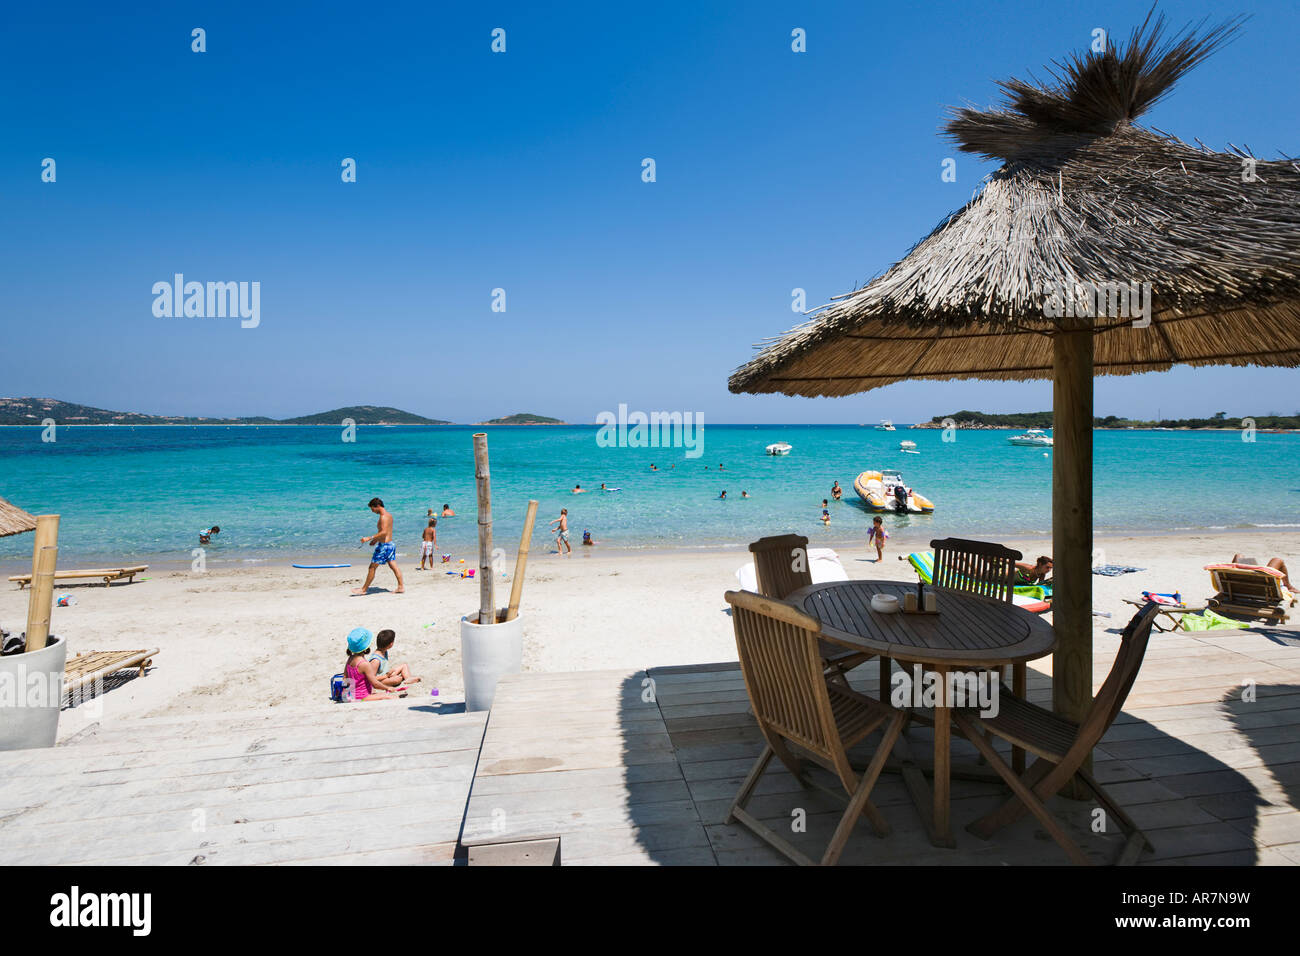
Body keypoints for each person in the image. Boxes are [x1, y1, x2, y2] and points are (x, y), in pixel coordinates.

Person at [354, 498, 405, 595]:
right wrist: (375, 540)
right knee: (393, 566)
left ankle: (364, 589)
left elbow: (384, 532)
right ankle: (401, 587)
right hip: (390, 544)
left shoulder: (383, 517)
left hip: (384, 547)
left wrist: (369, 538)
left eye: (372, 509)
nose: (372, 511)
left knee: (372, 567)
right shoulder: (389, 515)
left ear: (377, 506)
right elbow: (386, 532)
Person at [343, 628, 406, 700]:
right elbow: (375, 684)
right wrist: (387, 687)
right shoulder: (364, 664)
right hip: (362, 697)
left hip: (351, 695)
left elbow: (345, 678)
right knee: (391, 697)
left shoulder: (350, 659)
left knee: (381, 695)